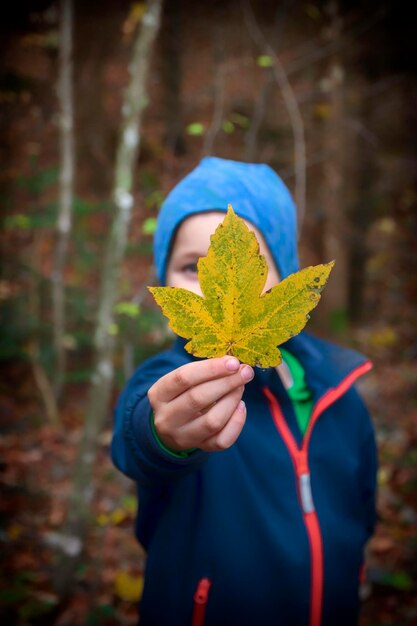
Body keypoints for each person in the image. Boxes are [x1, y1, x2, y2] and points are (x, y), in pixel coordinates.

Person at [111, 157, 377, 626]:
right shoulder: (167, 377)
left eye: (250, 263)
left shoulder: (340, 392)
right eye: (192, 267)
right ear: (165, 279)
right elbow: (137, 433)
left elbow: (362, 508)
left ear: (283, 279)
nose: (215, 287)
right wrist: (165, 435)